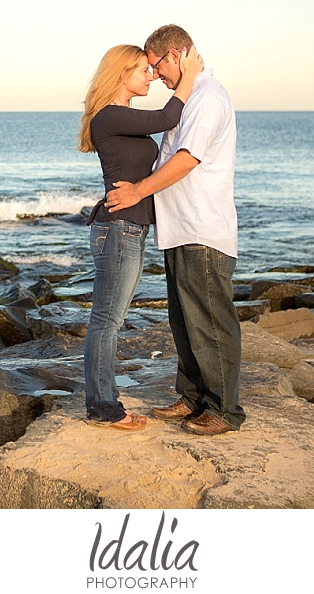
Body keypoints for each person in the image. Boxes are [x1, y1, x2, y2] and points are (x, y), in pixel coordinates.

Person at [105, 24, 244, 436]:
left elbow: (186, 160)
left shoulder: (207, 98)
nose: (157, 76)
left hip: (202, 228)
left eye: (157, 66)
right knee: (184, 319)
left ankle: (223, 411)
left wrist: (136, 193)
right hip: (181, 227)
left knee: (210, 322)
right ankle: (194, 397)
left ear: (177, 54)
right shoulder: (189, 98)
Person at [78, 42, 203, 431]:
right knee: (107, 321)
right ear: (121, 73)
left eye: (152, 69)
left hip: (126, 227)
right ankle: (104, 409)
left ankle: (103, 404)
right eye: (143, 70)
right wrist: (191, 77)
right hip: (118, 228)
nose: (151, 75)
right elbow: (168, 117)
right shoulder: (109, 116)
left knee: (107, 319)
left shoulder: (121, 116)